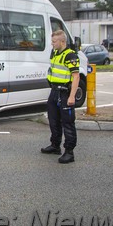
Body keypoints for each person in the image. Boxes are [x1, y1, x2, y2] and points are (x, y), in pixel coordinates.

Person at [41, 30, 80, 164]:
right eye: (52, 41)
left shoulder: (70, 56)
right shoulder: (55, 53)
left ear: (62, 41)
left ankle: (69, 152)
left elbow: (76, 77)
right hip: (55, 91)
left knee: (67, 123)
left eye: (54, 41)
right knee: (53, 121)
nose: (52, 44)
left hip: (65, 93)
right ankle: (55, 145)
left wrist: (72, 96)